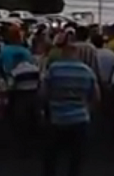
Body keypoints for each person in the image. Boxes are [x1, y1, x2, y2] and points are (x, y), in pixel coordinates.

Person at [41, 33, 99, 176]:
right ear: (76, 55)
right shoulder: (87, 71)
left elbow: (43, 93)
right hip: (80, 119)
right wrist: (87, 109)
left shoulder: (54, 69)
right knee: (76, 157)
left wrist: (44, 109)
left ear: (63, 54)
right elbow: (96, 97)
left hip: (57, 118)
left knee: (51, 156)